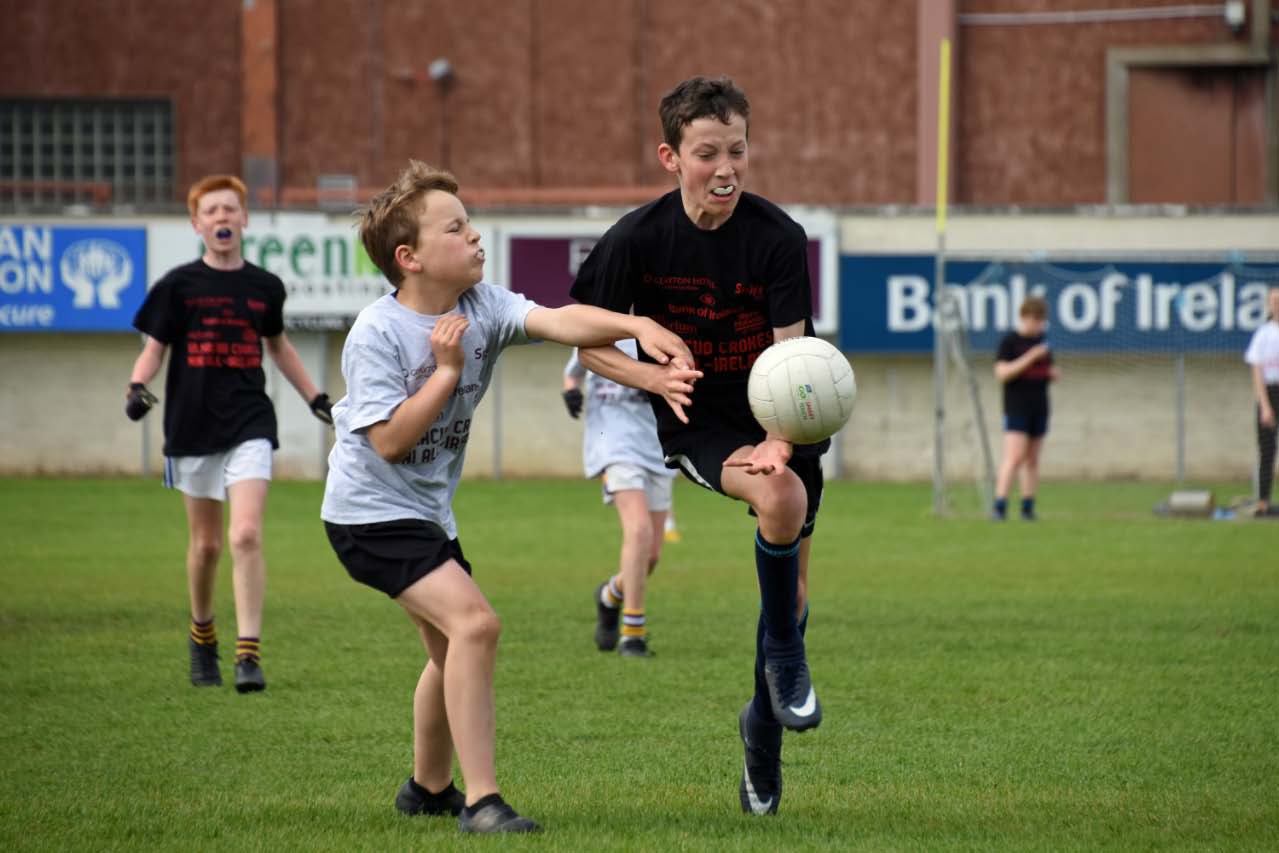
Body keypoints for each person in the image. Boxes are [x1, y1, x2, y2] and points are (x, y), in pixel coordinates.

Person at [320, 161, 691, 834]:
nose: (474, 236)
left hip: (425, 513)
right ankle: (481, 800)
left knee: (447, 648)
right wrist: (447, 372)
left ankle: (426, 787)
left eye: (469, 222)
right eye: (455, 227)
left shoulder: (483, 305)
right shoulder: (375, 333)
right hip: (368, 513)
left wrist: (641, 334)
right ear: (409, 257)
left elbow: (561, 319)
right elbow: (390, 442)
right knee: (475, 626)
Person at [569, 75, 827, 817]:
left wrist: (781, 436)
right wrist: (650, 375)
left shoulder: (777, 238)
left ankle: (760, 733)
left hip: (783, 403)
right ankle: (785, 658)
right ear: (669, 156)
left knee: (795, 581)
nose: (726, 168)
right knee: (779, 497)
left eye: (737, 150)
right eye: (707, 153)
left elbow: (789, 353)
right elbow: (586, 341)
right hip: (698, 415)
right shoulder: (635, 240)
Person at [126, 174, 333, 694]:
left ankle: (248, 654)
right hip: (191, 426)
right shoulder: (177, 286)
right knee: (207, 546)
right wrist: (136, 385)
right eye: (211, 211)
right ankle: (202, 635)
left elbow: (280, 348)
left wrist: (316, 399)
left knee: (244, 534)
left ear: (245, 219)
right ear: (197, 224)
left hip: (250, 422)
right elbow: (154, 349)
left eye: (230, 209)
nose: (222, 218)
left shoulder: (265, 287)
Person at [562, 341, 678, 657]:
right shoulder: (597, 331)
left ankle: (610, 595)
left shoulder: (663, 335)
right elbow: (573, 372)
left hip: (657, 449)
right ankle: (633, 635)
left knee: (650, 555)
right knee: (638, 530)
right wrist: (572, 391)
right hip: (614, 446)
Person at [992, 295, 1059, 521]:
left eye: (1040, 321)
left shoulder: (1043, 342)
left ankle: (1027, 507)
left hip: (1039, 406)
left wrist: (1052, 374)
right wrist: (1030, 357)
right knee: (1014, 456)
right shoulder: (1010, 342)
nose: (1036, 325)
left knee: (1032, 459)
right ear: (1023, 318)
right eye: (1033, 320)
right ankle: (1000, 505)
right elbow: (1002, 373)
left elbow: (1047, 371)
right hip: (1016, 407)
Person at [1244, 286, 1279, 516]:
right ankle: (1263, 502)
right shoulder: (1264, 334)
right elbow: (1256, 370)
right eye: (1274, 300)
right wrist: (1265, 405)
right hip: (1270, 392)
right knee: (1267, 450)